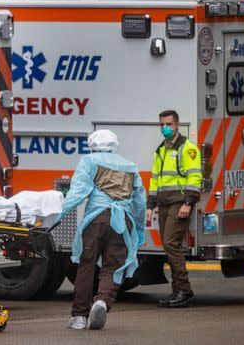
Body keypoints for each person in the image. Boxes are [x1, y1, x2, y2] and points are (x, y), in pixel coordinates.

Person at [56, 129, 146, 330]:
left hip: (96, 218)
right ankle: (102, 302)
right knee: (113, 266)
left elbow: (78, 191)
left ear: (93, 144)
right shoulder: (130, 166)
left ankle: (79, 316)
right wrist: (139, 228)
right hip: (123, 220)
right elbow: (140, 201)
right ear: (114, 145)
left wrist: (61, 214)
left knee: (87, 264)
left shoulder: (89, 161)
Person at [147, 110, 202, 308]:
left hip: (179, 203)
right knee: (168, 245)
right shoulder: (161, 149)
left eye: (169, 124)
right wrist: (150, 205)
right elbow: (155, 180)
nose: (165, 128)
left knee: (171, 243)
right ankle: (178, 290)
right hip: (163, 204)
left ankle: (183, 290)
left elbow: (195, 177)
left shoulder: (187, 149)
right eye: (162, 124)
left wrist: (188, 202)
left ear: (177, 125)